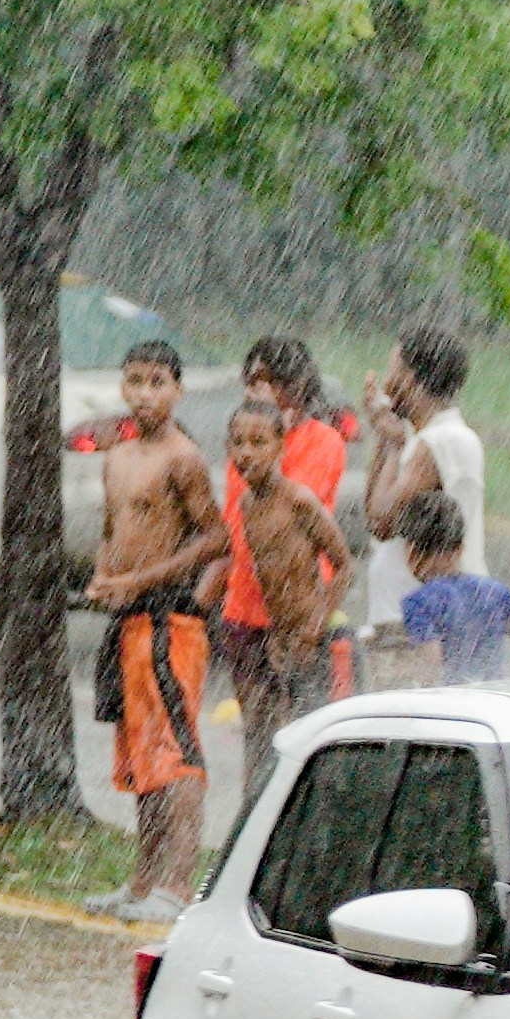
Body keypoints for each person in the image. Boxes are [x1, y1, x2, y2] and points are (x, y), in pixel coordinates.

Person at [78, 339, 228, 920]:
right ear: (122, 386)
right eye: (135, 380)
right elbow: (113, 531)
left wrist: (143, 579)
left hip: (171, 620)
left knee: (177, 752)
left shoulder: (183, 458)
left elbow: (215, 538)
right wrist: (104, 577)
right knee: (139, 751)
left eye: (157, 381)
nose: (145, 393)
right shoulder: (117, 456)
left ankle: (177, 886)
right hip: (128, 619)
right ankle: (143, 884)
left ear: (177, 389)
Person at [216, 398, 352, 791]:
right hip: (278, 639)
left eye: (258, 442)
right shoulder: (247, 504)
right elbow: (271, 579)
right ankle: (255, 817)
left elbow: (343, 565)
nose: (246, 453)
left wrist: (316, 625)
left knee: (308, 743)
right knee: (259, 733)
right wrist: (277, 634)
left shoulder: (298, 500)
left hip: (309, 639)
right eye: (238, 443)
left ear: (280, 446)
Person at [235, 334, 362, 707]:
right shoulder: (247, 488)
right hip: (264, 624)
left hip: (312, 625)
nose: (256, 393)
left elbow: (343, 564)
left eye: (267, 381)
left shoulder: (303, 483)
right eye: (251, 382)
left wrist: (312, 629)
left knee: (318, 730)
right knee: (267, 733)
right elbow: (252, 554)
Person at [359, 322, 485, 637]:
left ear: (410, 381)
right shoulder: (429, 438)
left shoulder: (437, 442)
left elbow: (382, 521)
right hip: (419, 617)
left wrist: (393, 444)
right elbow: (374, 513)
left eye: (392, 372)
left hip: (421, 625)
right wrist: (387, 437)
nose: (386, 386)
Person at [395, 490, 510, 683]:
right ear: (460, 549)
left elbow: (431, 668)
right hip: (493, 700)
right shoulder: (495, 592)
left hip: (455, 707)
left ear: (411, 552)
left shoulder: (418, 603)